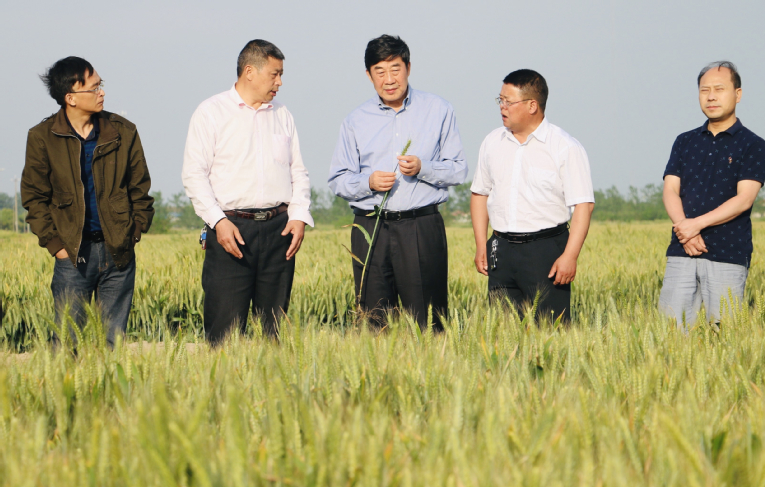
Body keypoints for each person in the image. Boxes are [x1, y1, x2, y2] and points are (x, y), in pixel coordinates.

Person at [328, 34, 467, 330]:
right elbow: (338, 180)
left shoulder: (439, 110)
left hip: (420, 227)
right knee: (374, 322)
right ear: (369, 75)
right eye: (380, 71)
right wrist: (368, 182)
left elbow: (458, 170)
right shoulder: (354, 120)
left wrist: (423, 167)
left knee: (428, 322)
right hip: (370, 228)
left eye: (395, 69)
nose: (389, 79)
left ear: (408, 68)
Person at [182, 39, 313, 345]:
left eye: (281, 75)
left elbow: (298, 171)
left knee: (274, 331)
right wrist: (218, 222)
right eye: (275, 74)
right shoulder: (211, 112)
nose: (280, 82)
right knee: (225, 333)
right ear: (250, 72)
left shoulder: (282, 114)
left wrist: (298, 216)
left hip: (279, 231)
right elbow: (194, 174)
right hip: (231, 230)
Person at [21, 56, 154, 347]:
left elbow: (140, 188)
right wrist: (57, 247)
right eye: (93, 88)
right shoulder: (42, 137)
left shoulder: (123, 131)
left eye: (100, 85)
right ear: (70, 97)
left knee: (112, 345)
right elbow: (34, 197)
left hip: (118, 251)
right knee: (67, 346)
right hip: (72, 254)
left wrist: (133, 232)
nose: (101, 92)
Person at [470, 69, 594, 321]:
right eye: (500, 100)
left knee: (551, 330)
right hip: (500, 248)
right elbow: (479, 194)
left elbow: (584, 205)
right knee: (502, 331)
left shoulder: (564, 146)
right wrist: (481, 244)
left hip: (545, 251)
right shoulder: (492, 142)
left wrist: (570, 256)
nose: (502, 107)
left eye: (508, 101)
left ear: (532, 106)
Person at [659, 61, 765, 327]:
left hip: (727, 254)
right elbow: (670, 189)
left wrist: (695, 225)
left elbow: (744, 199)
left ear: (737, 94)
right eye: (704, 90)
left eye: (719, 89)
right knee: (668, 334)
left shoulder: (753, 144)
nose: (711, 96)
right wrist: (685, 230)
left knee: (724, 335)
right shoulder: (684, 141)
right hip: (682, 250)